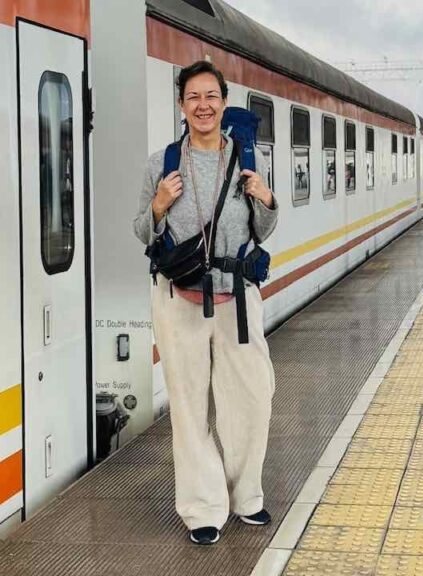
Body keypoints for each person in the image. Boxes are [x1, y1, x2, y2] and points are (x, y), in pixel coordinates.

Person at [132, 60, 278, 546]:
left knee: (253, 395)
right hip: (180, 298)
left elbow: (263, 230)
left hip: (237, 297)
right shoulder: (163, 162)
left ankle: (246, 496)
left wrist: (266, 199)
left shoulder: (247, 159)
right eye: (193, 97)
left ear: (223, 100)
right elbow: (141, 230)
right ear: (181, 105)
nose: (203, 105)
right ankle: (202, 508)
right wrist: (157, 206)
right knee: (190, 404)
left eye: (211, 96)